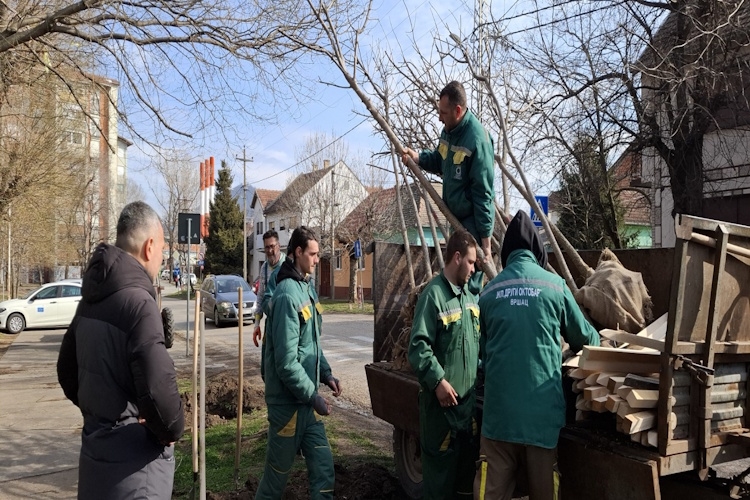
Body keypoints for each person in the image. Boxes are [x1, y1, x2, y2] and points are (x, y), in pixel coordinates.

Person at [57, 201, 184, 500]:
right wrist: (171, 429)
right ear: (150, 246)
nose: (162, 259)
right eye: (163, 250)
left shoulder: (91, 297)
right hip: (135, 472)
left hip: (96, 457)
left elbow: (67, 371)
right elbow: (160, 395)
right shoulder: (140, 302)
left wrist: (102, 410)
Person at [475, 211, 600, 500]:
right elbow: (586, 339)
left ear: (507, 253)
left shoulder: (489, 292)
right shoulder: (555, 286)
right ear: (538, 251)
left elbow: (483, 352)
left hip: (499, 419)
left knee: (490, 493)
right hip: (542, 422)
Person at [255, 226, 342, 500]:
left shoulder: (305, 288)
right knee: (274, 483)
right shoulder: (285, 296)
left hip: (306, 406)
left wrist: (326, 374)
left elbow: (311, 341)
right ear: (297, 252)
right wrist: (313, 395)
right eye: (313, 255)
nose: (317, 260)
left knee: (324, 471)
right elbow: (285, 363)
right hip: (288, 407)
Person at [407, 229, 480, 500]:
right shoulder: (433, 296)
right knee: (439, 486)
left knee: (464, 487)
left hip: (466, 410)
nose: (474, 268)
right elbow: (417, 347)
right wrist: (437, 381)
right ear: (457, 257)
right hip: (440, 414)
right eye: (471, 262)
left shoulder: (470, 299)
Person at [402, 80, 495, 284]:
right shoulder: (449, 132)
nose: (439, 117)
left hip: (472, 223)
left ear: (458, 110)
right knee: (454, 275)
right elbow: (440, 160)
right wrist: (417, 158)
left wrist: (486, 243)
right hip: (454, 220)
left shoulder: (478, 140)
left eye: (443, 113)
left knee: (467, 279)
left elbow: (484, 193)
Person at [253, 230, 287, 347]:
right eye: (267, 247)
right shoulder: (264, 268)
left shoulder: (288, 265)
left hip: (287, 321)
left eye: (272, 246)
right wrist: (257, 324)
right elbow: (261, 295)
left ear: (279, 245)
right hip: (271, 321)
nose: (270, 251)